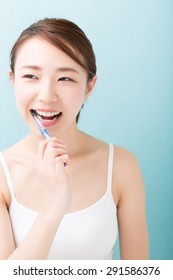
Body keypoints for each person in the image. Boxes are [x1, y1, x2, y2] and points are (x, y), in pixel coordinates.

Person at [0, 18, 148, 260]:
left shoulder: (121, 165)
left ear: (89, 86)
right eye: (30, 76)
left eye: (65, 78)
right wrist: (54, 209)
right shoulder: (2, 174)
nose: (46, 96)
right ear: (13, 79)